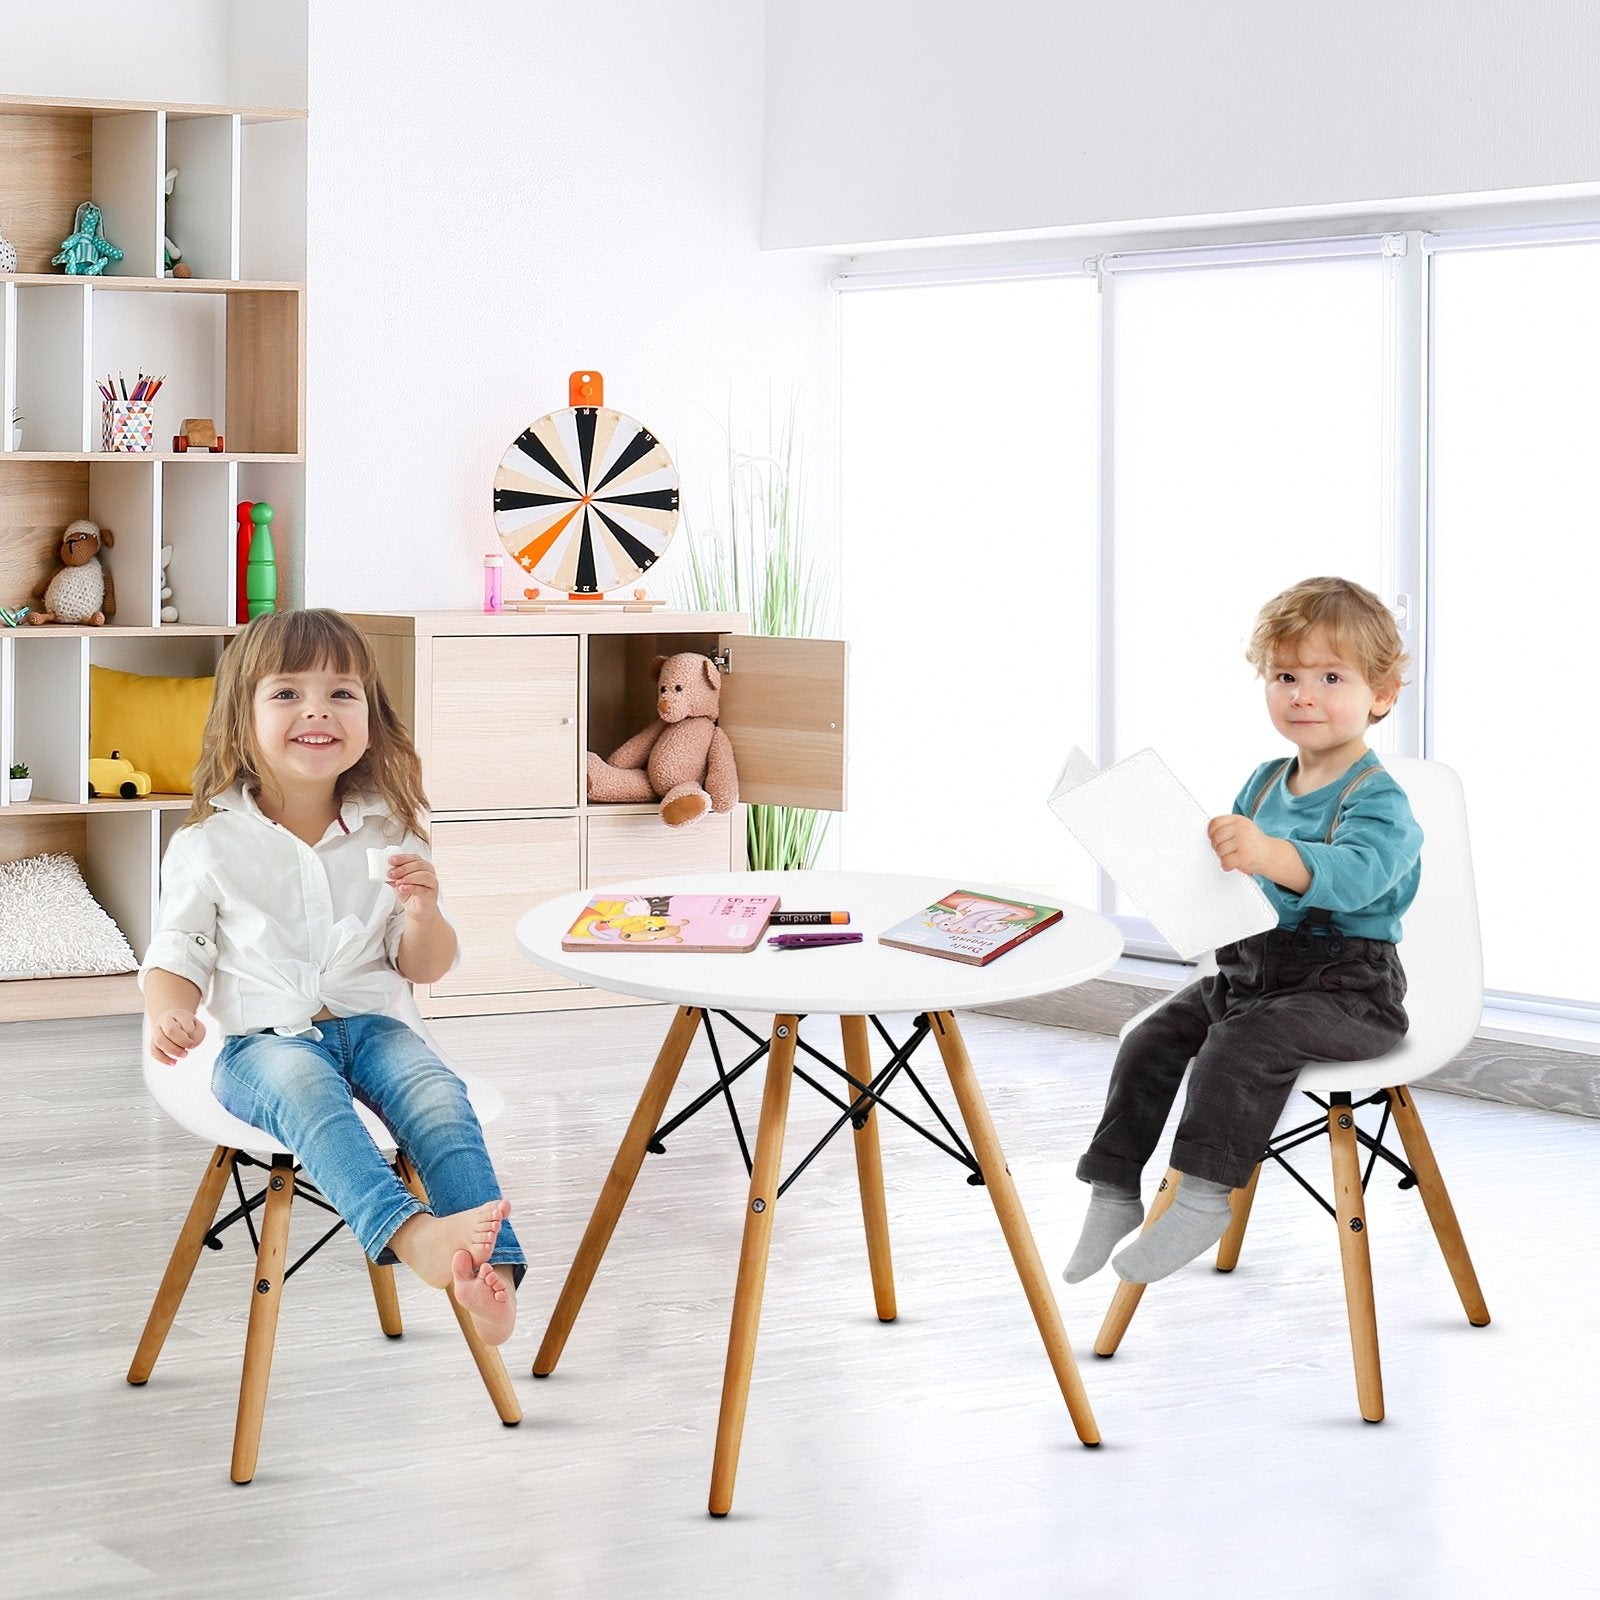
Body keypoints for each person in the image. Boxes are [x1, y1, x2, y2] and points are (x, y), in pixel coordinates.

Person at [141, 608, 521, 1343]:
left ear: (370, 721)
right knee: (310, 1094)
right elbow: (176, 951)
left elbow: (425, 967)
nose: (317, 708)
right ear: (240, 721)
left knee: (440, 1097)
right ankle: (414, 1241)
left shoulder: (390, 831)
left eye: (341, 693)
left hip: (375, 1027)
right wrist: (169, 1013)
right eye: (286, 693)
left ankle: (490, 1272)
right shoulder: (209, 845)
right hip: (265, 1046)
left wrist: (422, 913)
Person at [1064, 576, 1422, 1286]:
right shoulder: (1262, 781)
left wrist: (1266, 855)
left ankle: (1201, 1198)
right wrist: (1188, 871)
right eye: (1286, 676)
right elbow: (1238, 887)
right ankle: (1112, 1189)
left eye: (1330, 677)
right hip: (1252, 971)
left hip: (1347, 989)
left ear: (1381, 694)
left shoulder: (1378, 798)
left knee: (1244, 1042)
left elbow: (1355, 876)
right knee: (1151, 1037)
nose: (1303, 695)